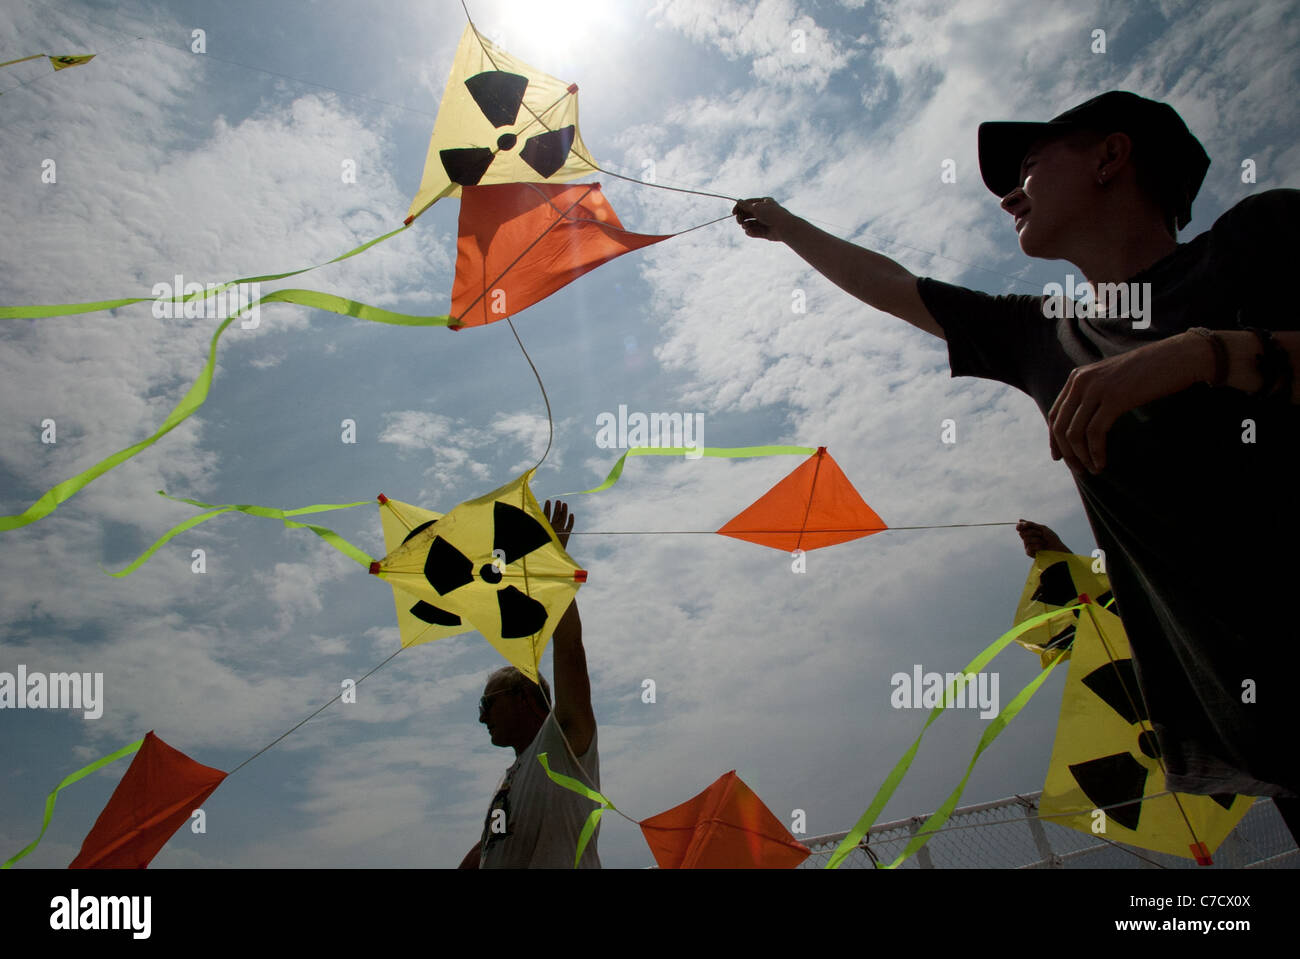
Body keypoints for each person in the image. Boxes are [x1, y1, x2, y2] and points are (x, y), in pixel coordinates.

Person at [734, 91, 1300, 839]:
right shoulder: (1045, 337)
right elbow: (899, 289)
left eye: (1028, 166)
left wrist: (1205, 355)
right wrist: (787, 225)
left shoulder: (1259, 239)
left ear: (1111, 156)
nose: (1007, 195)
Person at [457, 499, 601, 868]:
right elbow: (487, 849)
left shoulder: (563, 740)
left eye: (487, 705)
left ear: (523, 697)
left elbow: (570, 649)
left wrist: (551, 567)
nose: (481, 718)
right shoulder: (511, 779)